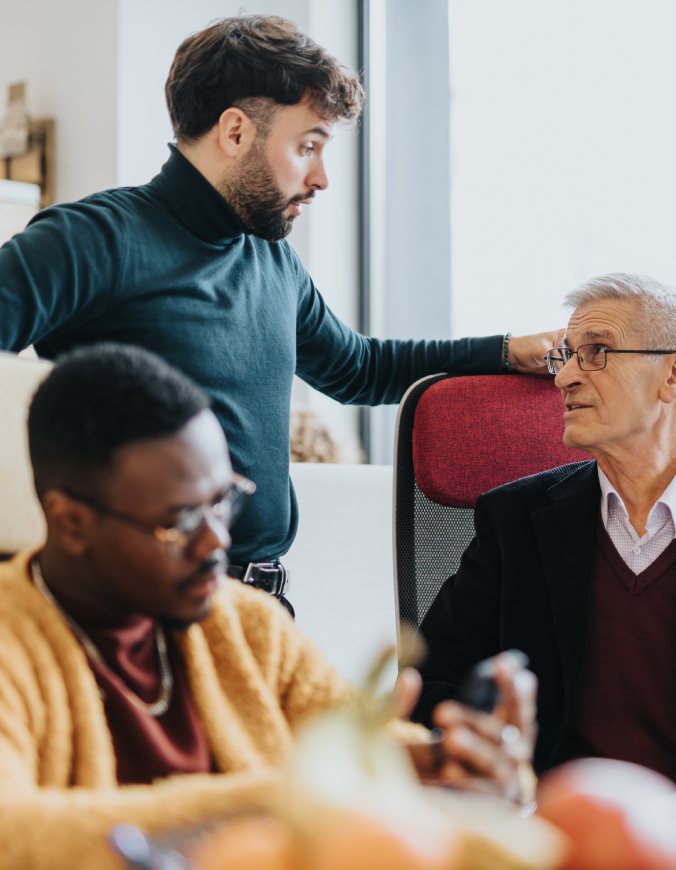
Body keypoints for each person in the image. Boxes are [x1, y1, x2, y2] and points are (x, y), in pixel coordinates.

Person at [0, 15, 557, 606]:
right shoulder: (92, 238)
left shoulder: (273, 260)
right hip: (133, 601)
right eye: (307, 145)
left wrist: (502, 352)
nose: (321, 178)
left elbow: (359, 369)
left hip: (260, 602)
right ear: (235, 131)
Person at [0, 343, 537, 867]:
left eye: (222, 501)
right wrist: (288, 798)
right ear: (70, 522)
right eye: (180, 522)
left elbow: (376, 747)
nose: (217, 542)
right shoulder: (12, 641)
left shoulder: (248, 625)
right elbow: (14, 833)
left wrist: (463, 770)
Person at [414, 273, 676, 782]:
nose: (565, 378)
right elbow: (432, 682)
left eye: (596, 352)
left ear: (670, 376)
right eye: (567, 355)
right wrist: (480, 744)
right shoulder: (514, 520)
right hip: (552, 825)